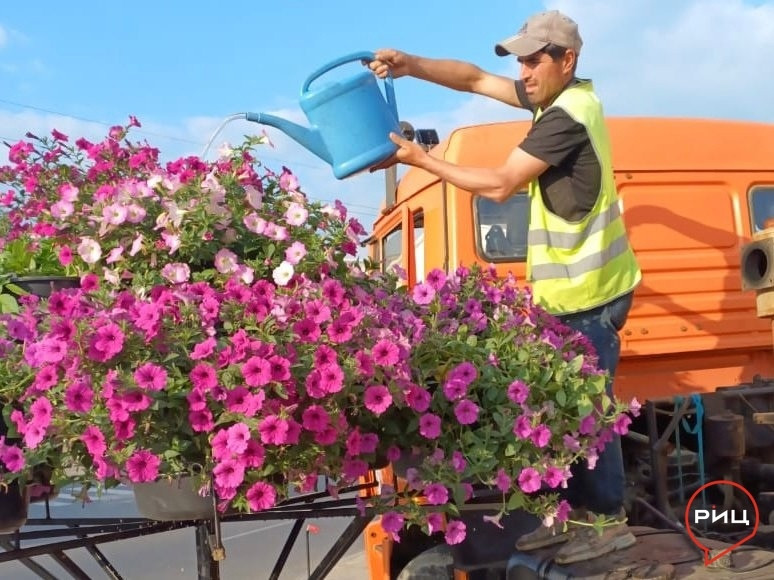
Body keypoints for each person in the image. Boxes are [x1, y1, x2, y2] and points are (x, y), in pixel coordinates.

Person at [369, 10, 642, 565]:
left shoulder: (567, 114)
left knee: (591, 409)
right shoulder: (552, 98)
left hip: (593, 293)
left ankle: (608, 523)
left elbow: (497, 185)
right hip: (570, 296)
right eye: (521, 58)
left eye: (535, 58)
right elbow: (473, 78)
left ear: (568, 60)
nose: (525, 69)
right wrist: (411, 65)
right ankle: (569, 521)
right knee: (564, 412)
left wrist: (423, 159)